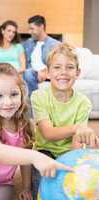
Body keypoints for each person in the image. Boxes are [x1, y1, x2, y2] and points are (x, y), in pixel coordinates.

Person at [0, 63, 73, 200]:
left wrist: (26, 187)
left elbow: (25, 160)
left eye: (14, 94)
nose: (8, 102)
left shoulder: (23, 126)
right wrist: (37, 157)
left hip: (2, 182)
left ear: (22, 94)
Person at [30, 43, 99, 199]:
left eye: (69, 67)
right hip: (44, 152)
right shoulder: (38, 96)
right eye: (57, 67)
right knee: (42, 191)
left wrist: (72, 164)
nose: (63, 73)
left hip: (68, 153)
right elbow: (47, 133)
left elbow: (77, 142)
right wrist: (75, 128)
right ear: (47, 72)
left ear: (77, 72)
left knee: (74, 188)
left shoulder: (83, 103)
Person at [23, 15, 61, 95]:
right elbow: (15, 49)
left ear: (41, 27)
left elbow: (59, 63)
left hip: (48, 74)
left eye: (32, 29)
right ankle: (36, 101)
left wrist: (45, 70)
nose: (30, 32)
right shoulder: (28, 43)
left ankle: (35, 102)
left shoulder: (55, 44)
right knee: (28, 73)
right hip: (32, 74)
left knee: (28, 73)